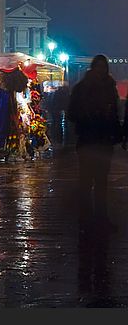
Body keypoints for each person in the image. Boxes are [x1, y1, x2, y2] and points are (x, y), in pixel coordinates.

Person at [68, 54, 121, 233]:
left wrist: (115, 133)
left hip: (104, 140)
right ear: (93, 68)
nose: (101, 71)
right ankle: (86, 219)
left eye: (103, 67)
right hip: (88, 140)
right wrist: (89, 117)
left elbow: (115, 114)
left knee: (101, 182)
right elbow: (72, 114)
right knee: (87, 181)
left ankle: (101, 218)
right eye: (98, 67)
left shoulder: (110, 87)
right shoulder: (82, 89)